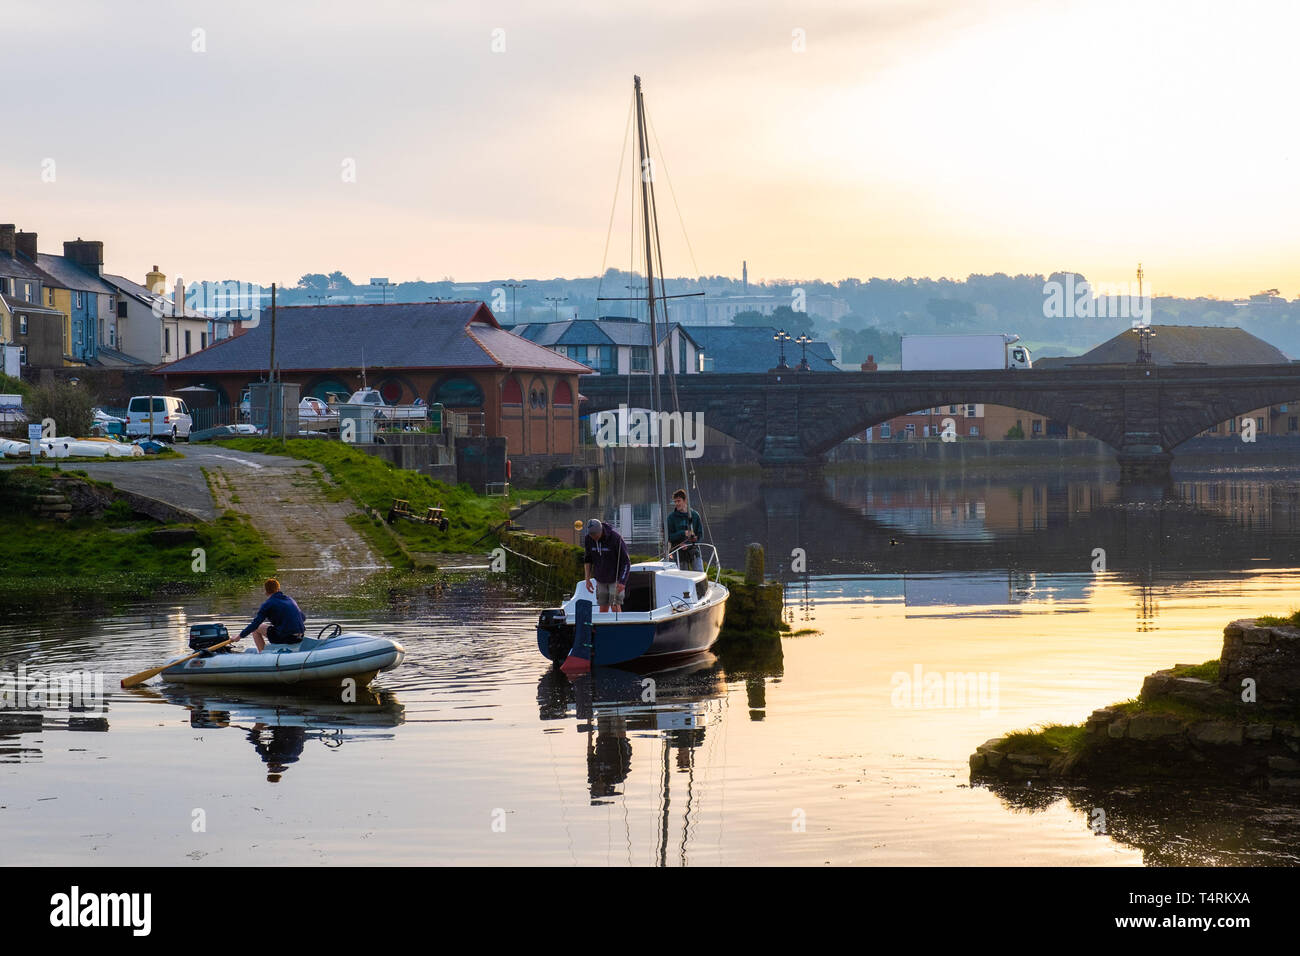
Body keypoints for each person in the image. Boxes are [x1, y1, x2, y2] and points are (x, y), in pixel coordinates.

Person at [237, 578, 306, 652]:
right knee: (271, 627)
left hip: (287, 638)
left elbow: (255, 624)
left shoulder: (268, 604)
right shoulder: (290, 600)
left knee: (256, 629)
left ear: (266, 592)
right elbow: (303, 618)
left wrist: (239, 636)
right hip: (300, 637)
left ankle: (262, 653)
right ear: (279, 589)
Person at [583, 518, 630, 612]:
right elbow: (588, 559)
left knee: (614, 605)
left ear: (601, 530)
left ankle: (619, 625)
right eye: (591, 535)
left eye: (595, 535)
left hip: (615, 578)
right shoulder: (588, 539)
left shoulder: (615, 538)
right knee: (603, 605)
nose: (593, 537)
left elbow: (626, 562)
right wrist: (587, 579)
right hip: (600, 578)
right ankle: (602, 625)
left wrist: (622, 581)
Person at [666, 489, 704, 571]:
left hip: (693, 549)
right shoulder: (671, 518)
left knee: (699, 572)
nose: (676, 504)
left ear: (685, 500)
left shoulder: (695, 515)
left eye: (678, 501)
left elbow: (700, 535)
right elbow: (669, 537)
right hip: (678, 551)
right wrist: (683, 533)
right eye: (675, 502)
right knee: (683, 576)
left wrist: (694, 540)